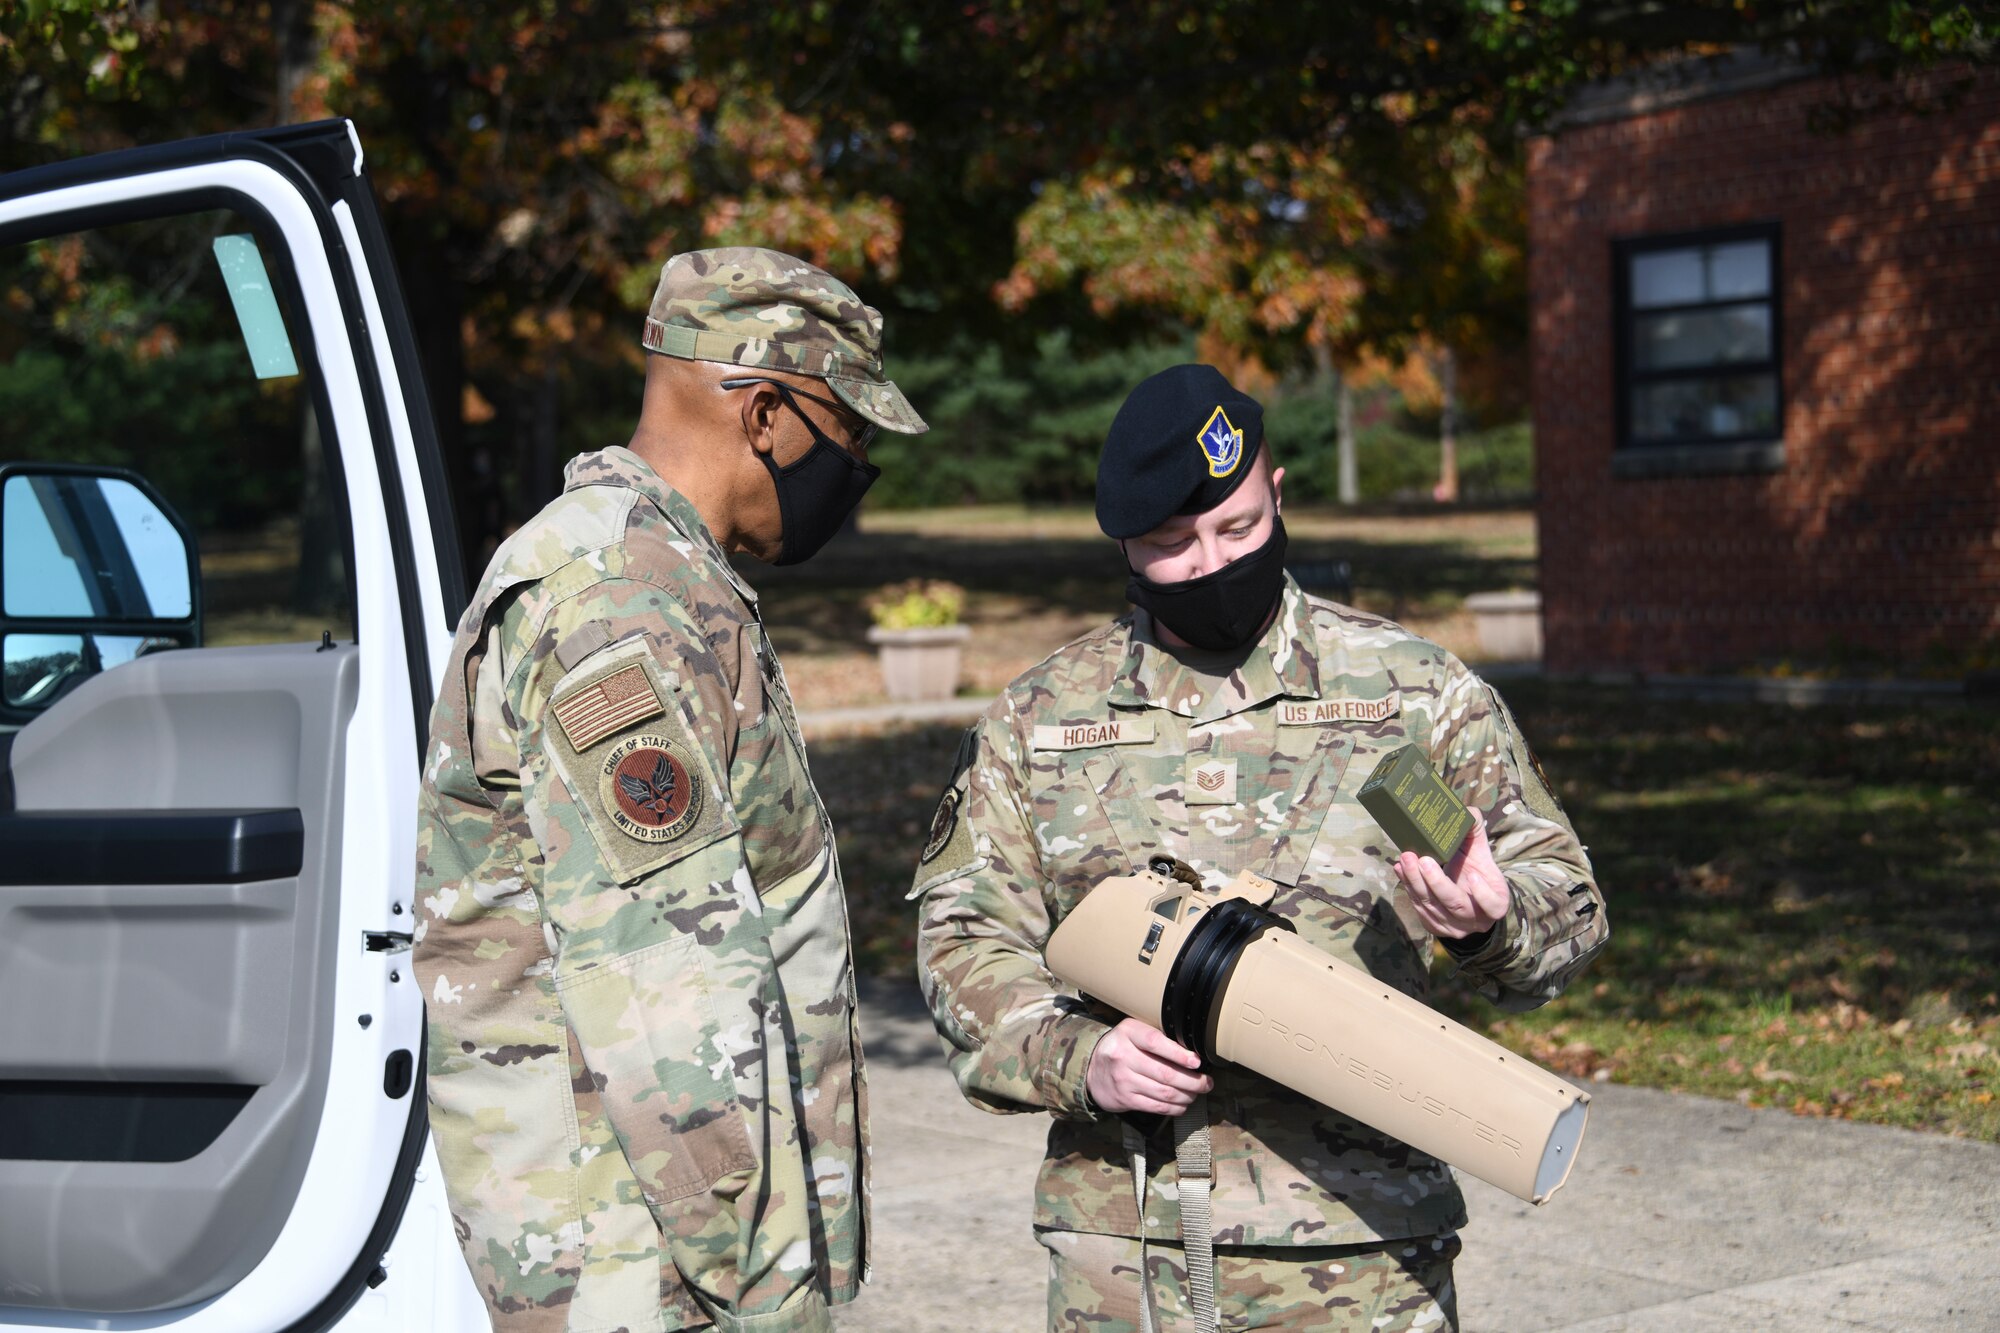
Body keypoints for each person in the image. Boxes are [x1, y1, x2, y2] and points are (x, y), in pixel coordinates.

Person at [911, 364, 1608, 1332]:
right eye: (1171, 543)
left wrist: (1494, 920)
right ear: (1122, 543)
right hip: (1129, 1257)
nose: (1209, 563)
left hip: (1359, 1257)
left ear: (1275, 496)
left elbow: (1566, 903)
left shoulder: (1408, 697)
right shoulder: (1040, 723)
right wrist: (1083, 1057)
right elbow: (960, 947)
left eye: (1236, 529)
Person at [413, 247, 927, 1333]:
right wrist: (757, 1284)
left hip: (647, 1233)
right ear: (770, 416)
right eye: (850, 436)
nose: (854, 472)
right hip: (651, 1254)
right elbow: (663, 985)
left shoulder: (655, 572)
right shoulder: (619, 603)